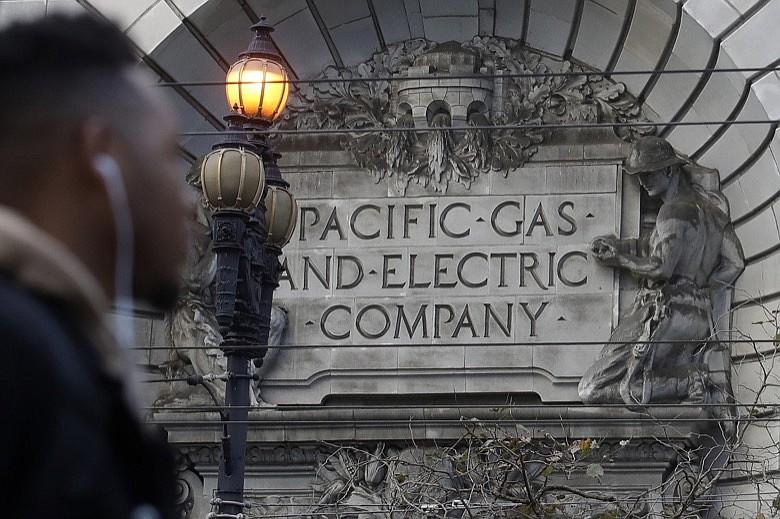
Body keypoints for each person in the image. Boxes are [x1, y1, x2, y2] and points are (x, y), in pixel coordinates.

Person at [0, 14, 191, 518]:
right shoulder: (20, 362)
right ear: (98, 156)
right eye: (167, 157)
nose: (189, 202)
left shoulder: (57, 359)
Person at [578, 136, 744, 407]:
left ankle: (690, 381)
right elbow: (734, 262)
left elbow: (660, 267)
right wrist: (701, 292)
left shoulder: (672, 212)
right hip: (697, 317)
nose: (642, 182)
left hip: (663, 313)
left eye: (647, 174)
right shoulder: (714, 211)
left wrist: (619, 257)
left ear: (669, 170)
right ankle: (688, 380)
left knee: (591, 388)